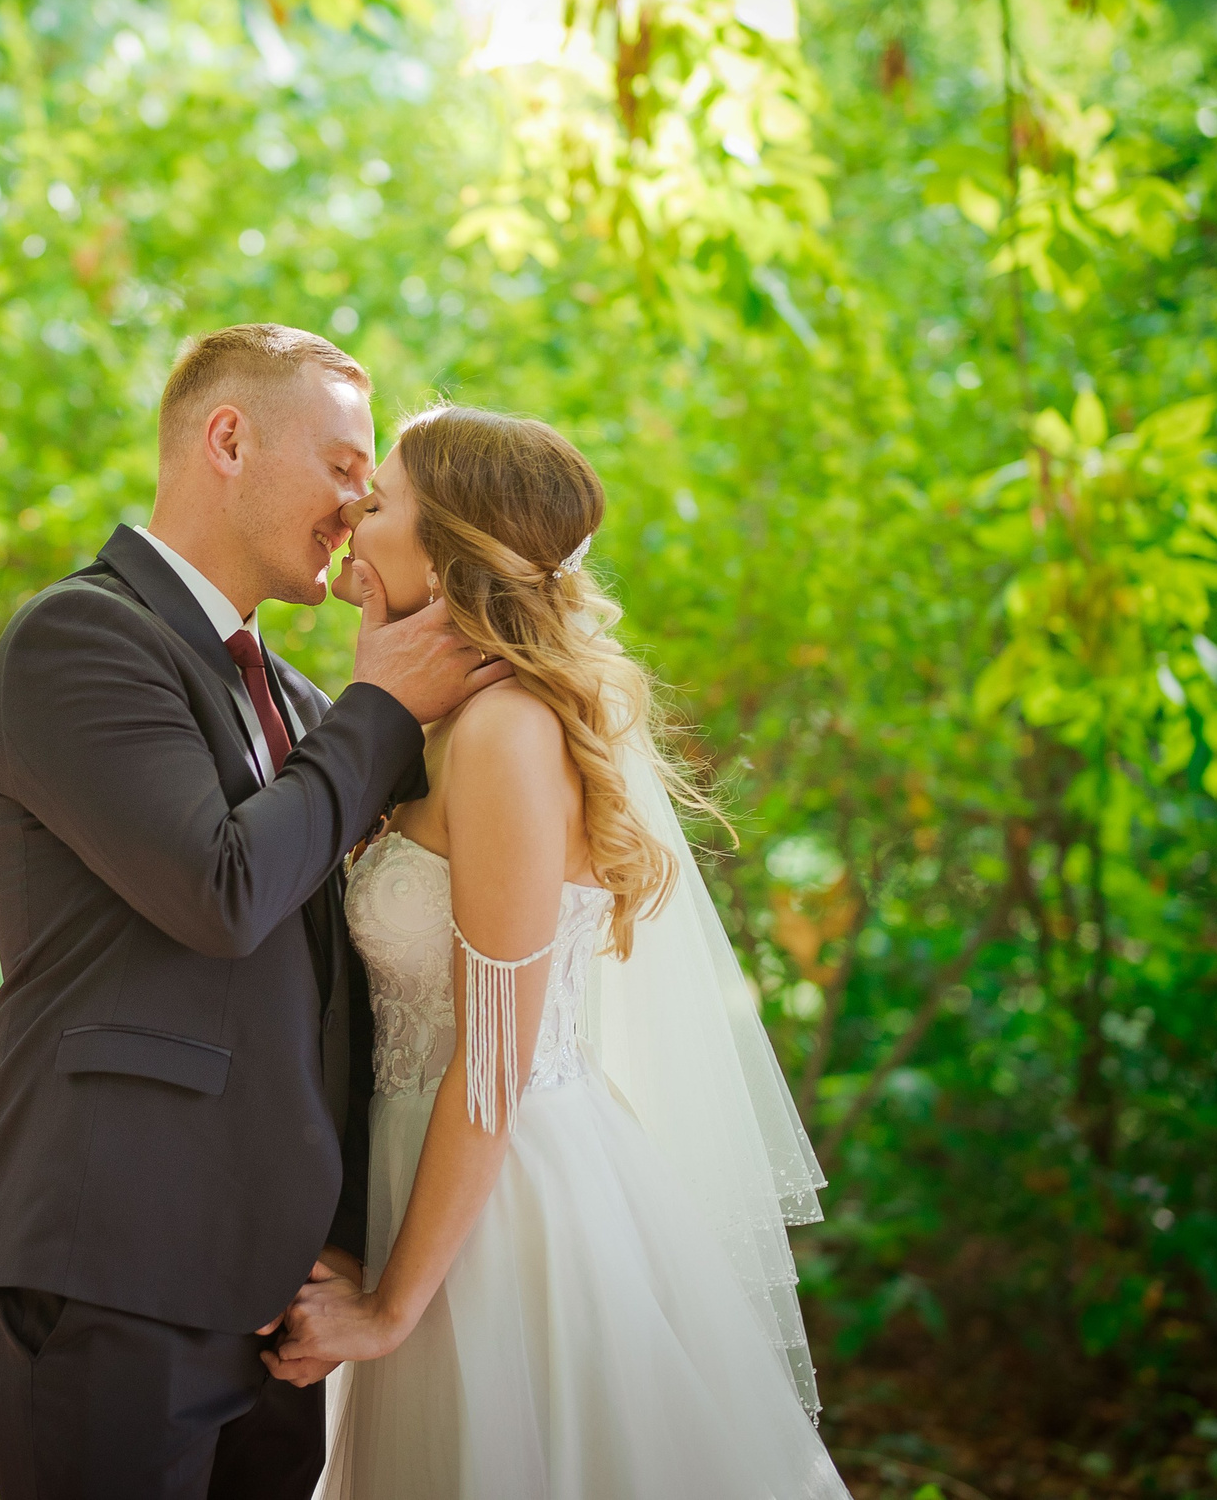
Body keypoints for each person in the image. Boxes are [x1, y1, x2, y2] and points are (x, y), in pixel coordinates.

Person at [0, 326, 508, 1499]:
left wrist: (352, 1236)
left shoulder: (309, 704)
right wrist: (384, 708)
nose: (359, 507)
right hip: (113, 1264)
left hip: (280, 1298)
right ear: (228, 437)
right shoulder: (81, 638)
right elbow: (222, 889)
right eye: (346, 464)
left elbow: (357, 981)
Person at [270, 405, 851, 1498]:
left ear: (446, 553)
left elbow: (494, 1063)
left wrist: (392, 1307)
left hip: (503, 1214)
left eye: (379, 500)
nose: (352, 515)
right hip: (430, 1187)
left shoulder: (504, 733)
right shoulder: (451, 721)